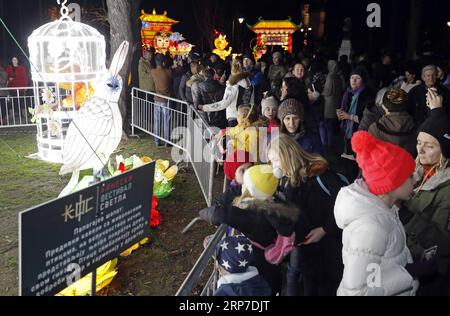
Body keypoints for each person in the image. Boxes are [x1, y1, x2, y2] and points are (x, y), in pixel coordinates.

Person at [334, 131, 419, 296]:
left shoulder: (383, 209)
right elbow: (359, 291)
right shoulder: (371, 228)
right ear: (392, 183)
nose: (415, 179)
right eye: (409, 176)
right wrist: (408, 272)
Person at [267, 134, 345, 296]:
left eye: (275, 159)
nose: (273, 165)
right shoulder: (288, 180)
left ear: (287, 154)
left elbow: (344, 205)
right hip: (308, 254)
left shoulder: (320, 174)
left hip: (330, 249)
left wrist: (324, 229)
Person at [400, 89, 450, 296]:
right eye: (419, 142)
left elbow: (445, 244)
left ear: (445, 151)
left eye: (429, 146)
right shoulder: (415, 170)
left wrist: (409, 217)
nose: (420, 150)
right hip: (404, 260)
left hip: (430, 274)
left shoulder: (447, 189)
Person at [198, 59, 253, 127]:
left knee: (231, 137)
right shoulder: (249, 83)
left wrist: (205, 108)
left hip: (235, 117)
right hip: (247, 117)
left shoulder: (233, 85)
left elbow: (224, 103)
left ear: (232, 70)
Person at [368, 88, 417, 156]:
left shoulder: (375, 128)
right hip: (409, 165)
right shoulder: (417, 126)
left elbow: (370, 156)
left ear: (384, 106)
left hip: (383, 166)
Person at [321, 60, 345, 153]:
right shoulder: (338, 76)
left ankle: (327, 144)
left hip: (328, 104)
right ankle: (330, 143)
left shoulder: (330, 76)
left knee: (327, 124)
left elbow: (327, 91)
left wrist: (319, 93)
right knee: (330, 124)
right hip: (336, 102)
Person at [151, 54, 173, 146]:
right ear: (163, 62)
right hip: (166, 100)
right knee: (166, 120)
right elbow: (172, 80)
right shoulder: (168, 72)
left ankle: (156, 141)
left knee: (157, 120)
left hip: (157, 98)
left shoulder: (153, 71)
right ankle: (167, 141)